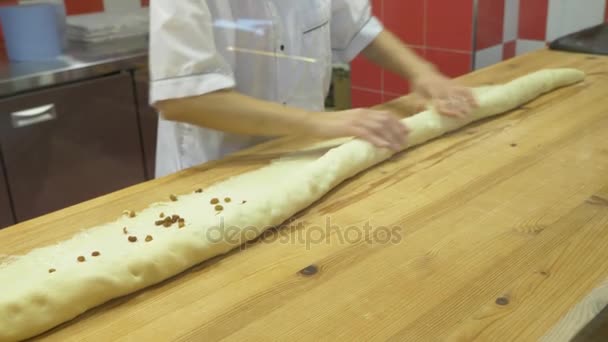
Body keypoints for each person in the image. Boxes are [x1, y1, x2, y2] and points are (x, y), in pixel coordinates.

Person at [149, 0, 477, 178]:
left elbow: (359, 27)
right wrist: (319, 123)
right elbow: (183, 99)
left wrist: (421, 72)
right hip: (216, 172)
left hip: (302, 160)